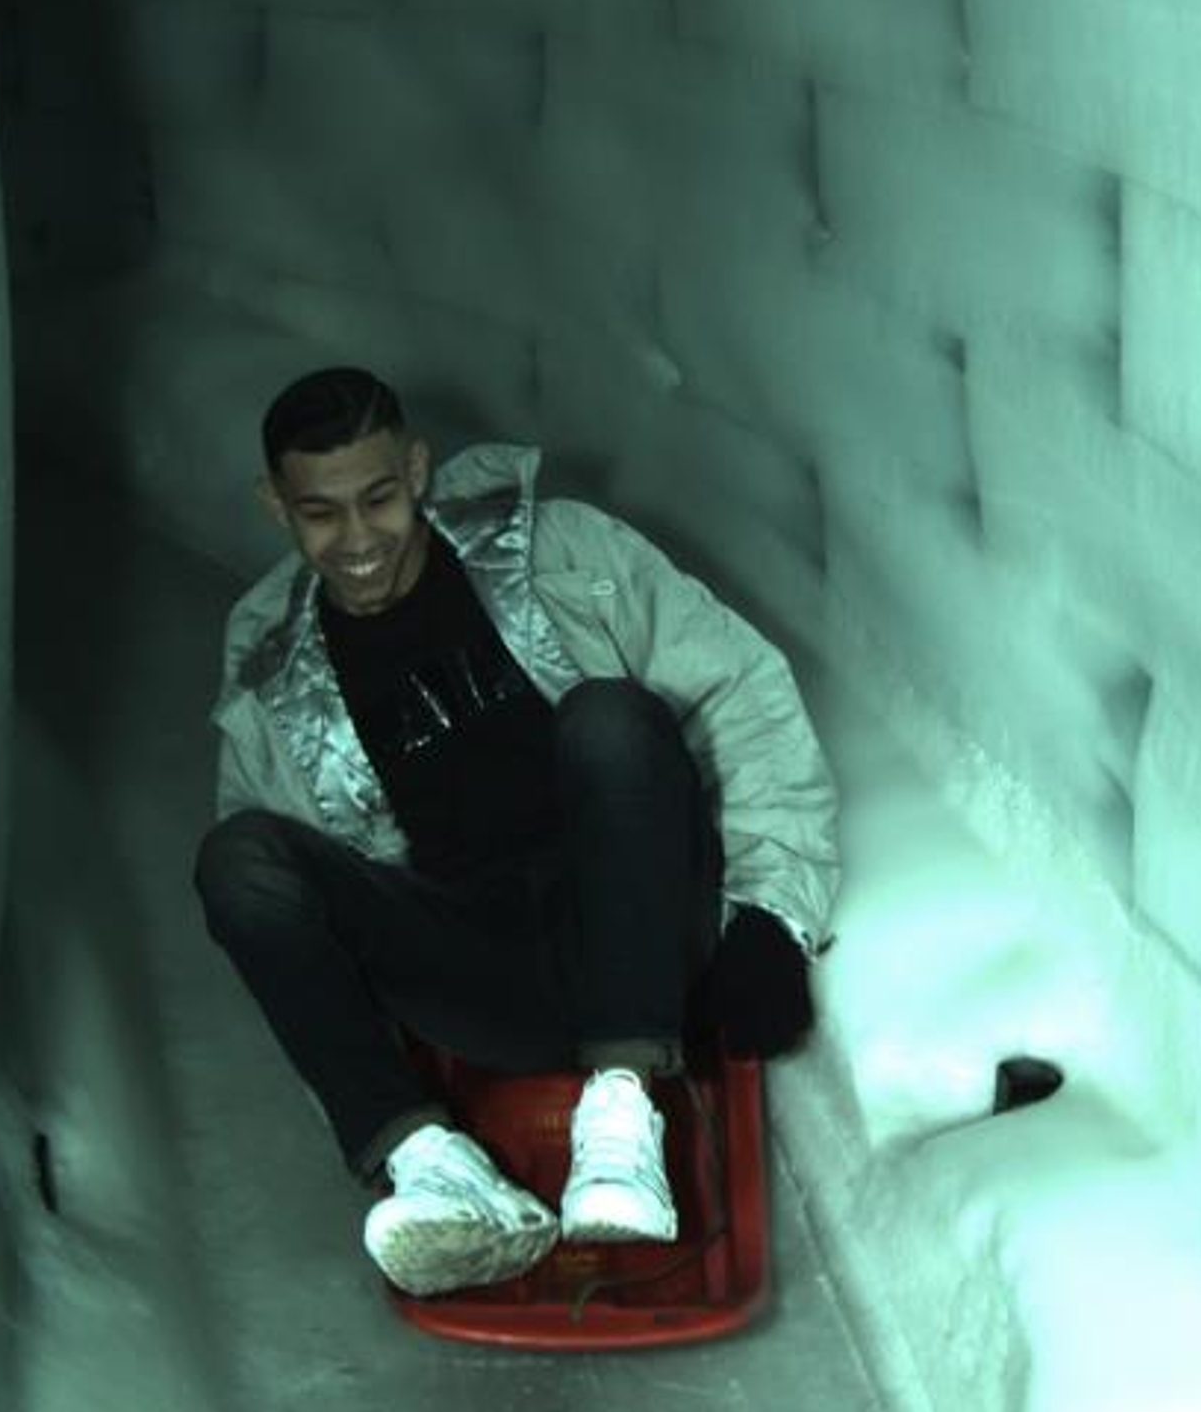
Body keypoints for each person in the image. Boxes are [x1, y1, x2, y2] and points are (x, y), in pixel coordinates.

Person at [194, 367, 840, 1297]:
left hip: (645, 926)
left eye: (379, 498)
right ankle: (433, 1166)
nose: (359, 539)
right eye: (320, 514)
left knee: (609, 719)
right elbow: (300, 949)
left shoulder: (558, 552)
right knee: (241, 860)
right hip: (477, 973)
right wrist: (372, 1081)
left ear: (419, 471)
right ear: (276, 505)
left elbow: (740, 694)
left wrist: (773, 916)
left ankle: (622, 1114)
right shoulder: (275, 674)